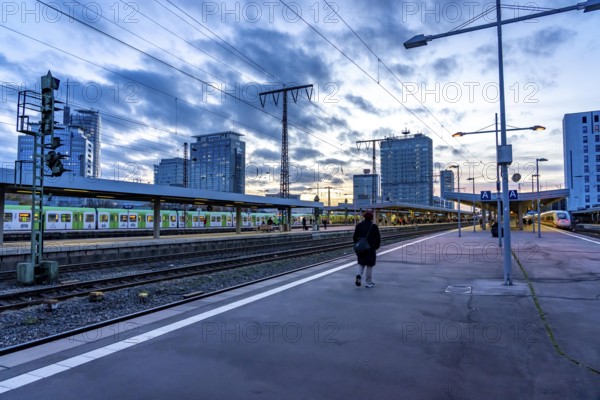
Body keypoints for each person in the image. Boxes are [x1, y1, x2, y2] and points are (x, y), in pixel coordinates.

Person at [353, 211, 381, 288]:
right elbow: (378, 239)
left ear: (364, 217)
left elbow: (354, 237)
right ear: (371, 218)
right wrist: (376, 247)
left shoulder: (359, 226)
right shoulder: (374, 226)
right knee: (369, 265)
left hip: (361, 248)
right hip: (370, 249)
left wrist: (358, 245)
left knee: (361, 263)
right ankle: (368, 282)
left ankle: (359, 275)